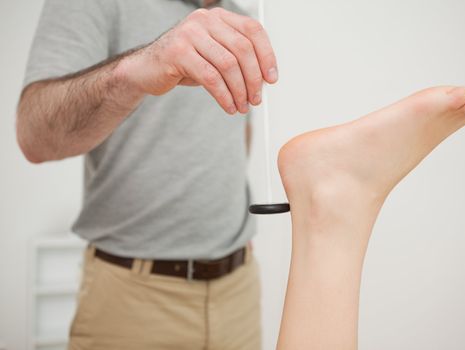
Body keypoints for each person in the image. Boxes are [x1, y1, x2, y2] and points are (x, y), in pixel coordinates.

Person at [16, 0, 278, 349]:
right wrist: (141, 67)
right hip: (132, 301)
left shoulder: (239, 17)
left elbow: (235, 132)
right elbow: (35, 137)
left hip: (239, 293)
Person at [273, 86, 465, 349]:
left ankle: (331, 194)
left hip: (233, 261)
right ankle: (332, 193)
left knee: (326, 237)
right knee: (327, 235)